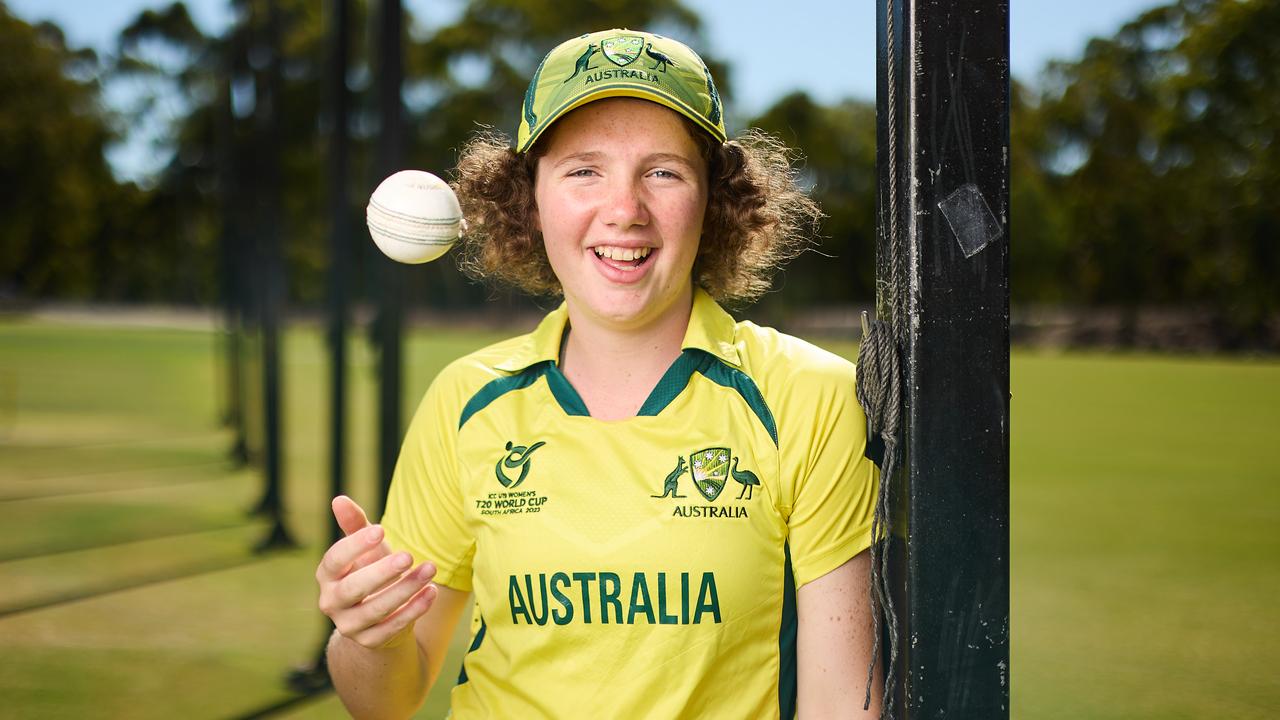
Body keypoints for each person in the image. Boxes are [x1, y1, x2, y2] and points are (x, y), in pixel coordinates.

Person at [316, 28, 883, 719]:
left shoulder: (807, 397)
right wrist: (368, 638)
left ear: (716, 199)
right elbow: (387, 701)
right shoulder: (466, 400)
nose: (624, 210)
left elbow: (843, 704)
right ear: (528, 199)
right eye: (584, 170)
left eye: (663, 172)